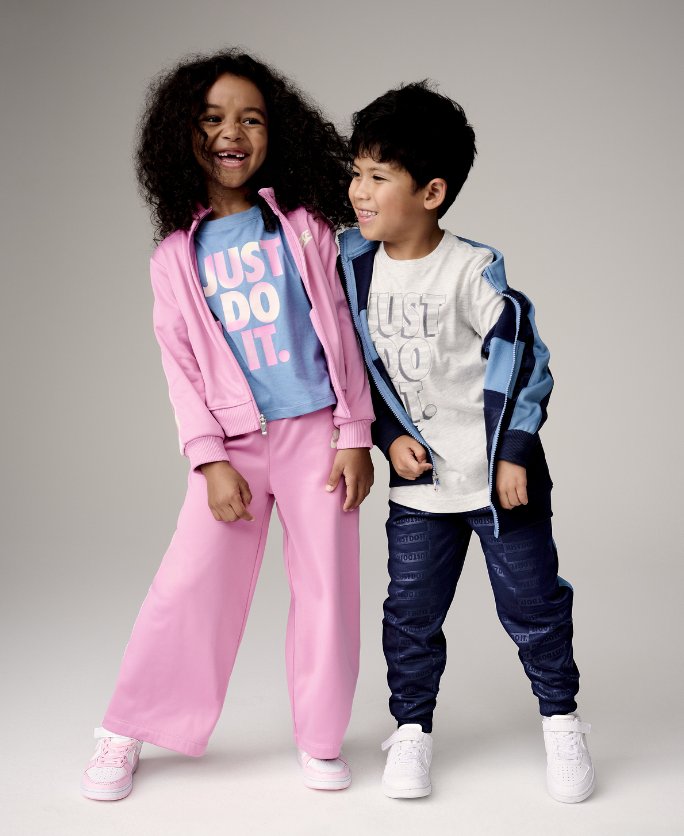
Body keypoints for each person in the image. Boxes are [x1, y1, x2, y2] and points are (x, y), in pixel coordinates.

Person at [80, 49, 374, 802]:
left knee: (328, 592)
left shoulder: (304, 229)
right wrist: (209, 460)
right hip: (234, 450)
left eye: (251, 119)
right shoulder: (175, 258)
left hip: (316, 436)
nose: (231, 134)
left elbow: (343, 335)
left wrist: (354, 432)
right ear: (184, 135)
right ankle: (126, 726)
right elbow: (180, 369)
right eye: (212, 119)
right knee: (190, 585)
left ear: (277, 133)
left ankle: (320, 738)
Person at [337, 81, 595, 803]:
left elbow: (525, 357)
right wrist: (388, 436)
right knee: (410, 614)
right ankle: (410, 729)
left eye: (378, 177)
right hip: (420, 486)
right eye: (356, 172)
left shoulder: (471, 269)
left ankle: (562, 721)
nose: (358, 191)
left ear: (432, 192)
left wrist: (513, 451)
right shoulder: (352, 265)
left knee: (534, 606)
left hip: (499, 481)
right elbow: (354, 368)